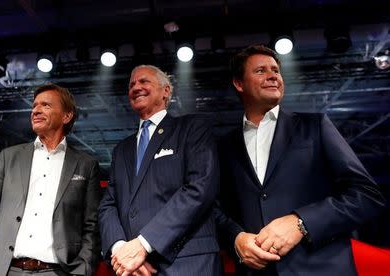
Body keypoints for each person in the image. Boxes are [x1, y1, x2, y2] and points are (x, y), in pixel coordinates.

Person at [216, 45, 386, 275]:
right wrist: (235, 239)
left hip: (321, 268)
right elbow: (216, 209)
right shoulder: (223, 146)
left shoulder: (315, 126)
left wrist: (301, 223)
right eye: (260, 71)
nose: (272, 75)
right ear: (239, 84)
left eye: (276, 70)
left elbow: (367, 194)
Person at [0, 84, 102, 276]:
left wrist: (82, 270)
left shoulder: (86, 164)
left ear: (66, 116)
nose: (35, 110)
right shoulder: (8, 157)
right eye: (34, 106)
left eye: (46, 105)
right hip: (6, 270)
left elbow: (91, 228)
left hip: (57, 272)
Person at [99, 65, 222, 275]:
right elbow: (108, 205)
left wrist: (143, 244)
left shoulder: (192, 128)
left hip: (187, 263)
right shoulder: (122, 149)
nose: (136, 87)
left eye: (144, 81)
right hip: (134, 268)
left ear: (166, 91)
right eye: (131, 84)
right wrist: (121, 250)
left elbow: (199, 188)